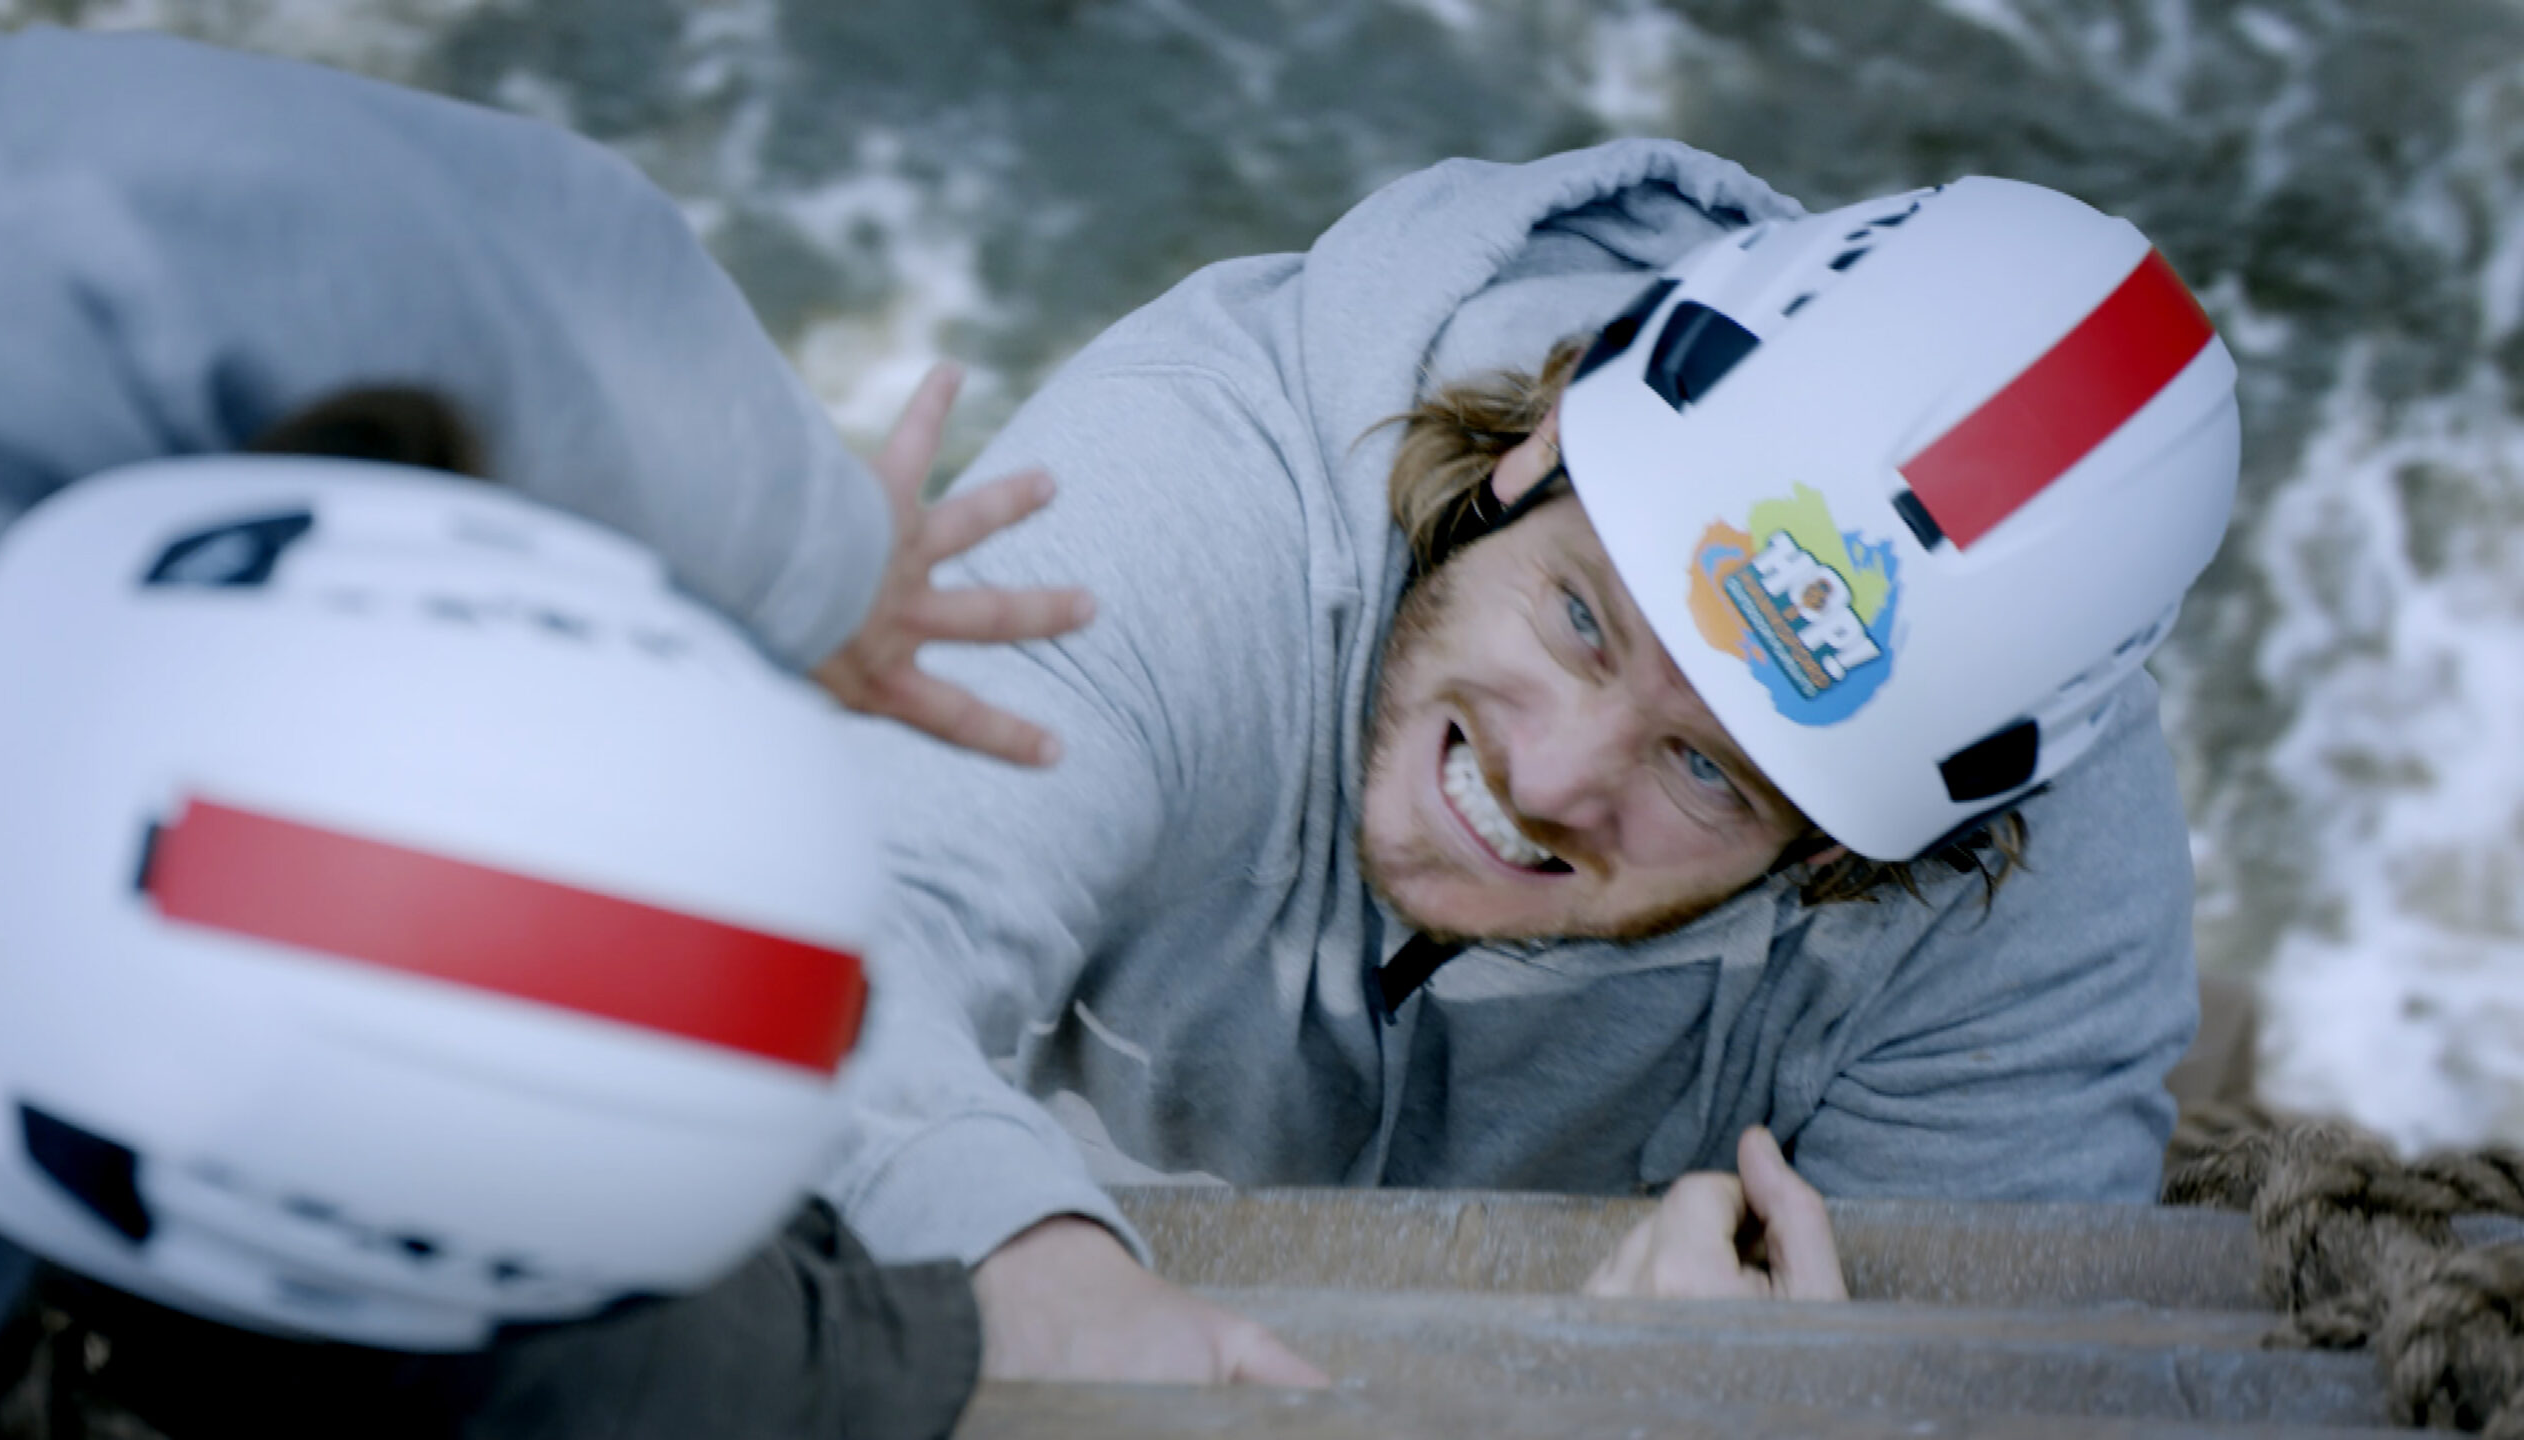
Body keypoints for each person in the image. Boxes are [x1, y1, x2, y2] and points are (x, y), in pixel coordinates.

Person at [820, 152, 2239, 1382]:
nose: (1553, 775)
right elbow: (807, 929)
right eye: (1582, 617)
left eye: (1708, 771)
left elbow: (1995, 1382)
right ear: (1546, 441)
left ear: (1839, 855)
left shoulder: (2037, 915)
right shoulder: (1204, 497)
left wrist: (1757, 1406)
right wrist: (1022, 1256)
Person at [0, 26, 1093, 1440]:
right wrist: (834, 567)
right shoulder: (69, 257)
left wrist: (829, 564)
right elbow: (515, 302)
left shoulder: (55, 269)